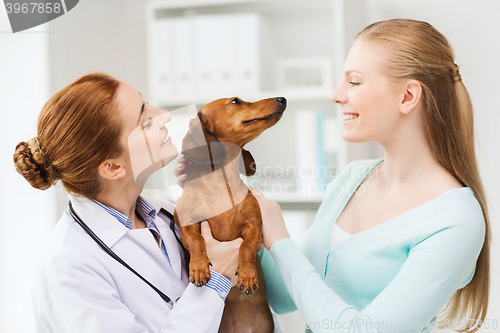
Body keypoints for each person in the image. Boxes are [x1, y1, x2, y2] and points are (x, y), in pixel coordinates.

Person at [177, 19, 490, 332]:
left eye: (353, 82)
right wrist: (219, 198)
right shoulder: (352, 180)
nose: (337, 95)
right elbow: (286, 297)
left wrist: (281, 240)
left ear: (408, 96)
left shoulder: (455, 219)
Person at [13, 73, 243, 333]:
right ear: (112, 168)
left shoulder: (167, 215)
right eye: (145, 122)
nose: (165, 115)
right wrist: (217, 279)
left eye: (146, 104)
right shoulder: (68, 268)